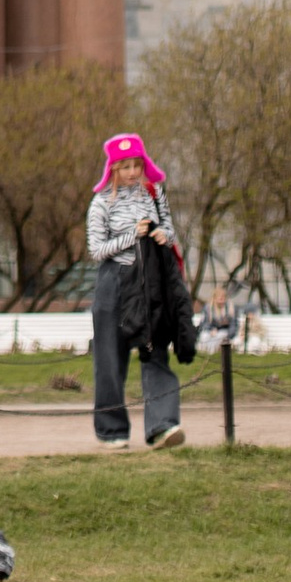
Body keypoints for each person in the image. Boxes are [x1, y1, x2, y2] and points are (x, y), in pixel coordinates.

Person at [87, 133, 188, 448]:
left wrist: (162, 236)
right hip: (115, 281)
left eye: (136, 165)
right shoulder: (101, 201)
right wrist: (132, 235)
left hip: (151, 282)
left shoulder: (155, 193)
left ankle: (162, 426)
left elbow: (169, 229)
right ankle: (112, 430)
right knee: (110, 357)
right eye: (125, 166)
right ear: (113, 168)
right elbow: (97, 249)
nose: (132, 172)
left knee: (156, 351)